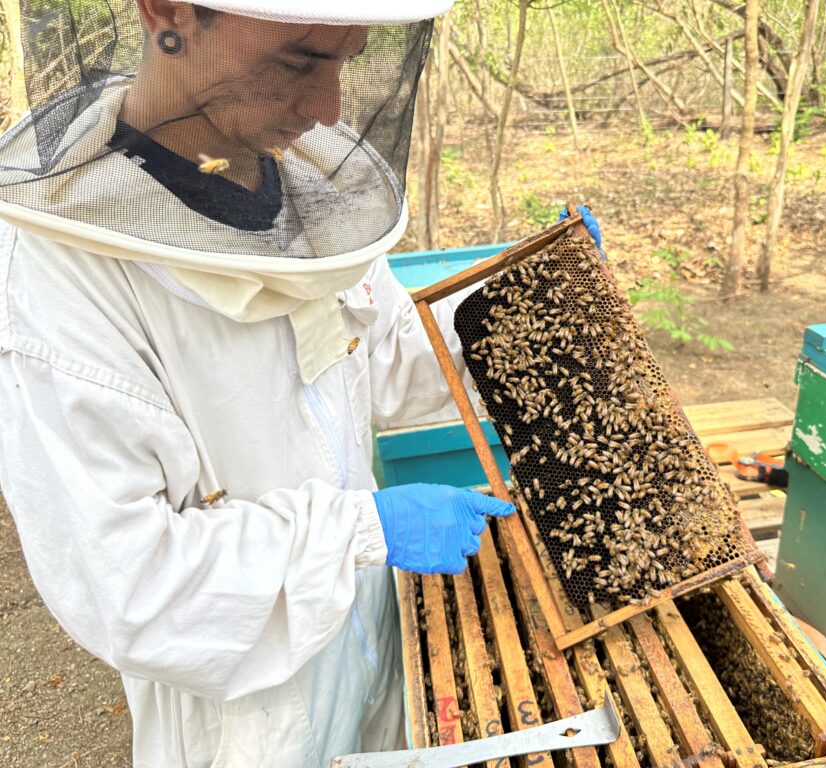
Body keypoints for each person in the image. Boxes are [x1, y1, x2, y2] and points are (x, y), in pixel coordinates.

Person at [0, 1, 520, 766]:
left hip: (366, 641)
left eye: (348, 62)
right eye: (300, 61)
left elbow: (388, 362)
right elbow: (130, 590)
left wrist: (507, 319)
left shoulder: (311, 181)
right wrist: (363, 533)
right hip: (236, 722)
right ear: (169, 12)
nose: (328, 108)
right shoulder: (60, 274)